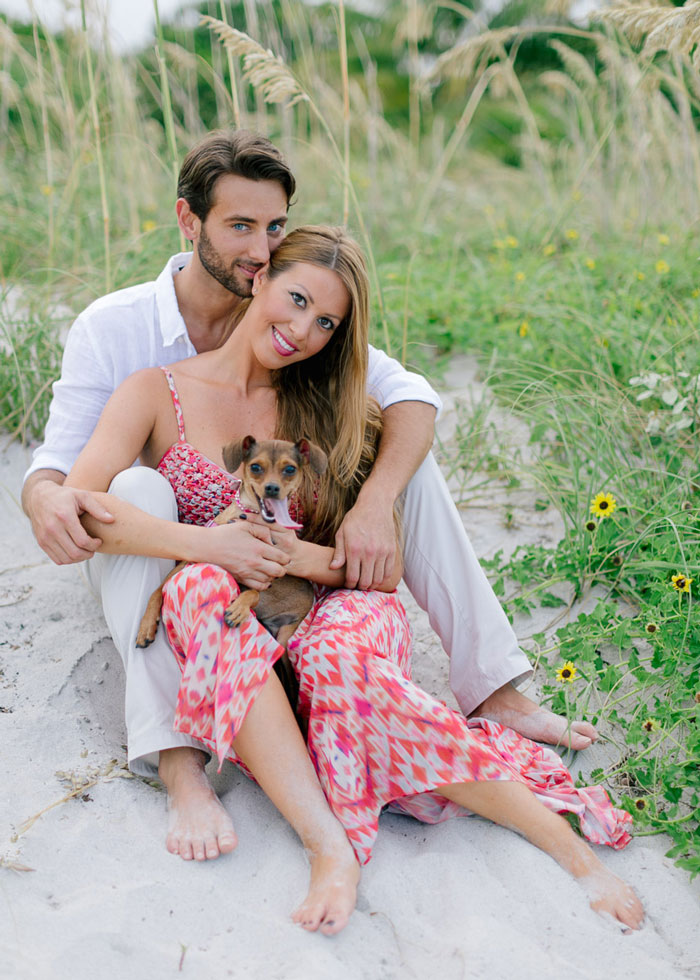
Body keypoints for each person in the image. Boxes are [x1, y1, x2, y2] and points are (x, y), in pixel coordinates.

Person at [22, 129, 596, 862]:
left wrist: (371, 504)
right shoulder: (119, 330)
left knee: (407, 466)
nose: (260, 249)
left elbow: (408, 396)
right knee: (140, 484)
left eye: (274, 228)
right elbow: (68, 478)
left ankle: (493, 688)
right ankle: (177, 759)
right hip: (157, 557)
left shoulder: (298, 329)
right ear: (188, 222)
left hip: (279, 569)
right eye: (239, 227)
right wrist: (51, 501)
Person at [64, 225, 643, 935]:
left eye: (327, 322)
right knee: (197, 591)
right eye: (297, 299)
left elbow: (377, 566)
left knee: (337, 657)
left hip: (339, 603)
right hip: (234, 608)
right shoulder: (154, 390)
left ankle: (567, 849)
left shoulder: (328, 403)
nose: (303, 330)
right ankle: (328, 846)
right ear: (260, 278)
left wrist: (285, 554)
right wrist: (215, 546)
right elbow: (85, 508)